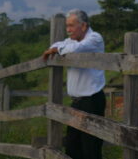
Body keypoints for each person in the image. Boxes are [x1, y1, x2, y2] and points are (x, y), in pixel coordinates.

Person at [42, 10, 106, 159]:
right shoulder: (72, 40)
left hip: (92, 101)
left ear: (83, 26)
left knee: (91, 149)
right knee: (72, 148)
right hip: (76, 103)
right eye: (66, 26)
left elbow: (75, 49)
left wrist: (57, 49)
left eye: (71, 26)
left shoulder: (94, 38)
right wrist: (57, 48)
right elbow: (58, 44)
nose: (68, 30)